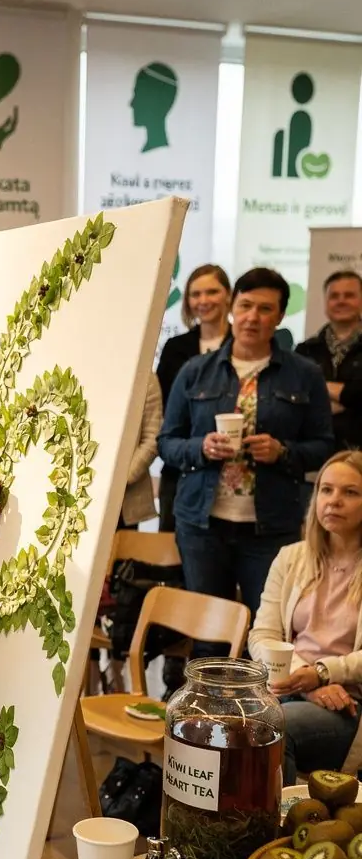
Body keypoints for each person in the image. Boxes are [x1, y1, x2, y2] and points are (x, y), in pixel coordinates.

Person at [159, 267, 334, 640]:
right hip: (201, 525)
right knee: (208, 638)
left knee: (267, 636)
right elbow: (168, 442)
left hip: (271, 527)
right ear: (233, 307)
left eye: (265, 309)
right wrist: (202, 448)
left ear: (281, 315)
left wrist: (283, 452)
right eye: (246, 305)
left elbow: (324, 447)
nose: (253, 317)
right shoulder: (195, 371)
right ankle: (206, 700)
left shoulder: (304, 375)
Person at [250, 451, 362, 785]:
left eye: (350, 492)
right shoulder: (291, 557)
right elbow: (261, 635)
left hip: (349, 704)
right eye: (326, 490)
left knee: (267, 728)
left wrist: (325, 673)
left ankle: (275, 832)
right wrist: (304, 677)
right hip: (289, 687)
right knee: (220, 722)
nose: (334, 501)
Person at [156, 264, 232, 533]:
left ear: (228, 296)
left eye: (212, 292)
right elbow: (163, 408)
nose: (203, 300)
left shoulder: (244, 346)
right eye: (195, 294)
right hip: (179, 470)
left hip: (232, 475)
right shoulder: (176, 349)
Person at [297, 270, 362, 450]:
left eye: (349, 295)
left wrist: (319, 387)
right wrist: (350, 400)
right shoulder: (305, 350)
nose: (341, 301)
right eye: (334, 296)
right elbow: (297, 400)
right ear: (326, 303)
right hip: (315, 454)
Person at [120, 373, 161, 527]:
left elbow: (152, 439)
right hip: (79, 490)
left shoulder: (145, 378)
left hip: (126, 497)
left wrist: (122, 479)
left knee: (122, 549)